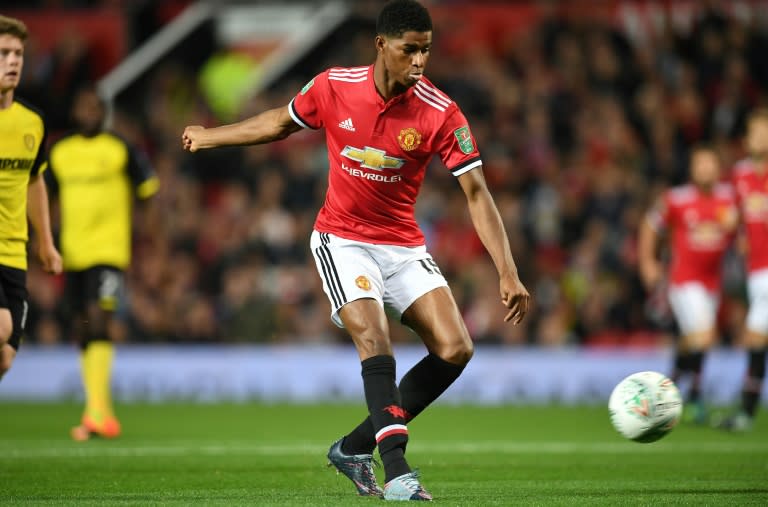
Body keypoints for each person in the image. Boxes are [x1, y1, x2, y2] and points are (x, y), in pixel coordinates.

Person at [182, 0, 530, 501]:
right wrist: (210, 136)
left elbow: (477, 192)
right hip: (342, 239)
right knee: (375, 338)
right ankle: (399, 472)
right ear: (381, 45)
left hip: (402, 245)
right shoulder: (334, 86)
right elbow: (279, 122)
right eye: (410, 50)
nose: (419, 62)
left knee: (456, 348)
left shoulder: (441, 112)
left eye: (426, 51)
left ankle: (352, 447)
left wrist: (507, 271)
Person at [47, 84, 159, 440]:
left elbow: (148, 191)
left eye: (96, 107)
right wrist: (44, 241)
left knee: (99, 318)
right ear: (75, 111)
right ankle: (101, 412)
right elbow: (43, 196)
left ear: (104, 112)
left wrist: (148, 242)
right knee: (82, 327)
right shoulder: (60, 152)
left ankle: (95, 412)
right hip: (72, 252)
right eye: (84, 106)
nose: (90, 113)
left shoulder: (120, 148)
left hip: (109, 250)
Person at [638, 146, 738, 424]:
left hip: (712, 281)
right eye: (700, 164)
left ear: (718, 168)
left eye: (710, 164)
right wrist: (647, 261)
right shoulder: (677, 199)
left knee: (693, 341)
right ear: (692, 169)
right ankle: (693, 397)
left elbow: (744, 227)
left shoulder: (729, 199)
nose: (705, 169)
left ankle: (664, 392)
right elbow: (649, 225)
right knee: (705, 335)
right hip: (683, 279)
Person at [0, 15, 62, 381]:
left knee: (5, 358)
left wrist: (47, 243)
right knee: (1, 327)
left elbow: (34, 182)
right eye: (4, 53)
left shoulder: (32, 123)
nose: (13, 62)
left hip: (14, 249)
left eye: (18, 54)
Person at [718, 108, 768, 432]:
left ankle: (746, 413)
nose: (762, 137)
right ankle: (747, 412)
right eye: (757, 131)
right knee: (755, 336)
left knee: (754, 335)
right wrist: (734, 230)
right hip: (756, 270)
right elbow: (730, 215)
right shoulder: (739, 175)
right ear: (747, 139)